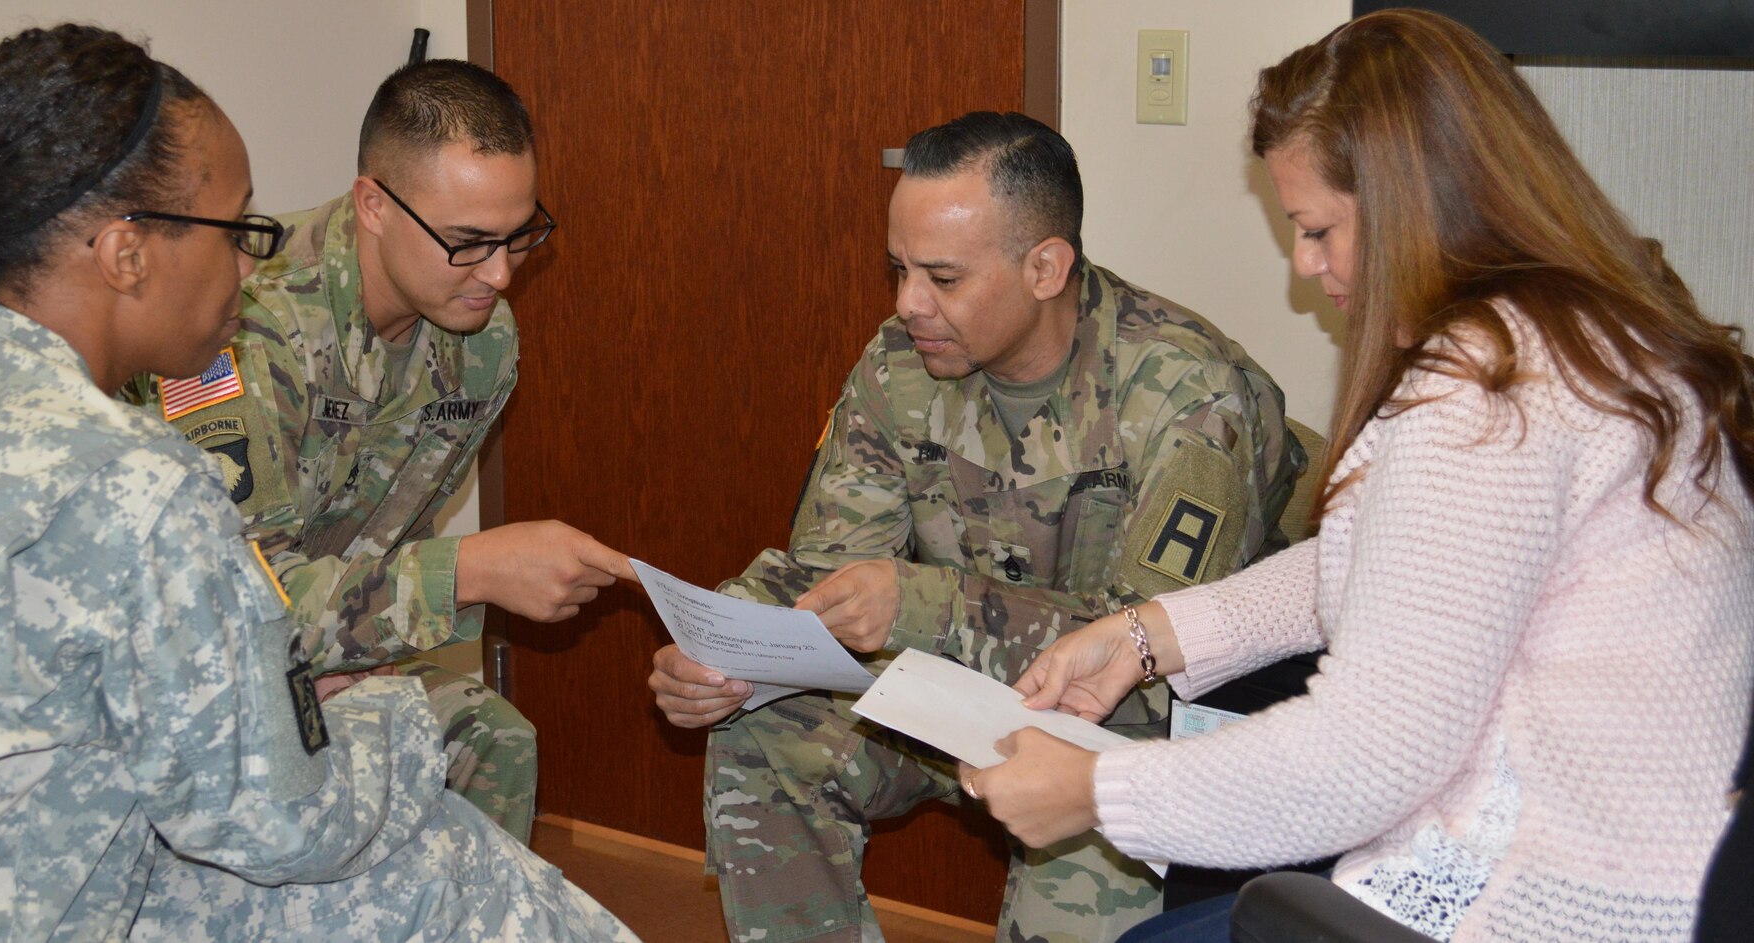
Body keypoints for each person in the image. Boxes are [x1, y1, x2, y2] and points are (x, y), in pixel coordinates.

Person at [966, 11, 1754, 943]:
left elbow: (1371, 751)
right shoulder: (1593, 329)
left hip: (1548, 897)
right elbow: (1406, 557)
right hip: (1657, 872)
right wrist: (1149, 634)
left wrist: (1098, 789)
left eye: (1317, 229)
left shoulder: (1487, 391)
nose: (1305, 267)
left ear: (1415, 203)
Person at [0, 25, 634, 941]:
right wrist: (391, 707)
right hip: (28, 891)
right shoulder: (141, 481)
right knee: (467, 883)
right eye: (239, 229)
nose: (256, 261)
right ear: (127, 254)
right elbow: (278, 820)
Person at [649, 112, 1304, 943]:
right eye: (899, 269)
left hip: (1117, 741)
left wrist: (924, 603)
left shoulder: (1185, 397)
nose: (906, 303)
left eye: (943, 278)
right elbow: (828, 576)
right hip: (945, 699)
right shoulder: (899, 367)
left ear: (1045, 267)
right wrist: (726, 648)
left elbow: (1150, 667)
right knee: (766, 737)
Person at [123, 58, 634, 844]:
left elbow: (389, 545)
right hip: (186, 667)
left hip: (324, 650)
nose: (499, 275)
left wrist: (364, 655)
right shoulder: (240, 323)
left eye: (519, 235)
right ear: (374, 205)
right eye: (467, 242)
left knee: (492, 737)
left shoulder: (480, 339)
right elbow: (234, 602)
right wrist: (475, 570)